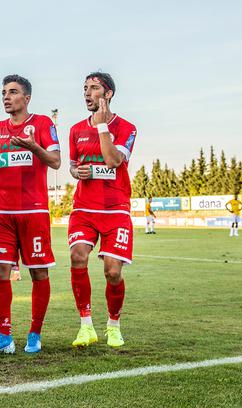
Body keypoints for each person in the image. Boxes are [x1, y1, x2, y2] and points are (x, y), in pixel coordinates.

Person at [0, 74, 61, 355]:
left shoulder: (42, 124)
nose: (6, 97)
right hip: (2, 212)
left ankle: (34, 334)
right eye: (4, 92)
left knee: (38, 272)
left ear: (26, 98)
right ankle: (4, 336)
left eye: (12, 92)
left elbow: (56, 161)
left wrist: (33, 147)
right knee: (0, 271)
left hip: (33, 211)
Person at [68, 72, 137, 348]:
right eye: (85, 88)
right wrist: (77, 171)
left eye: (94, 88)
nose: (87, 93)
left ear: (108, 94)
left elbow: (112, 161)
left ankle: (113, 324)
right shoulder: (75, 129)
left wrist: (101, 127)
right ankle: (86, 325)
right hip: (84, 207)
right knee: (77, 256)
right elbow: (72, 165)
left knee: (112, 272)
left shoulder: (127, 127)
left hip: (116, 209)